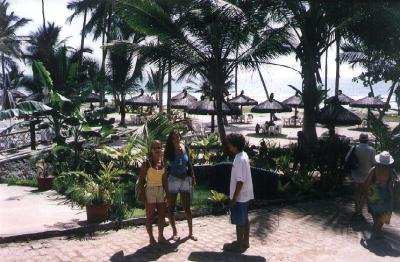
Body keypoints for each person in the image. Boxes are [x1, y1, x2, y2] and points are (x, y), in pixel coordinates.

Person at [223, 133, 254, 252]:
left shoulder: (240, 159)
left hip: (240, 196)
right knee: (244, 218)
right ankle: (245, 241)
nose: (228, 146)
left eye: (229, 144)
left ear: (235, 146)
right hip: (245, 195)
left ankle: (239, 244)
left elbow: (240, 181)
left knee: (239, 221)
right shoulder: (242, 155)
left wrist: (234, 199)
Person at [164, 130, 197, 241]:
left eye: (177, 137)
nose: (176, 139)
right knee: (171, 207)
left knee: (187, 207)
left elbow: (189, 163)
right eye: (173, 138)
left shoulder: (185, 147)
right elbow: (164, 167)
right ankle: (175, 232)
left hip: (185, 179)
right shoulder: (168, 151)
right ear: (171, 140)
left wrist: (193, 177)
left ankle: (190, 233)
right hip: (173, 179)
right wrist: (164, 184)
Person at [138, 140, 167, 245]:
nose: (157, 150)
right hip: (150, 190)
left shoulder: (163, 161)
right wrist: (143, 195)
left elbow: (164, 179)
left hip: (161, 190)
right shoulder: (146, 163)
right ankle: (151, 238)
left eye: (159, 147)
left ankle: (161, 236)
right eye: (155, 148)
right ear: (151, 150)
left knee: (162, 215)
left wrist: (167, 193)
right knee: (150, 217)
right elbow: (141, 180)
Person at [364, 151, 396, 239]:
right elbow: (391, 186)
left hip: (373, 193)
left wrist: (366, 194)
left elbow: (366, 183)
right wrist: (392, 198)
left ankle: (376, 229)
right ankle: (377, 230)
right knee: (384, 213)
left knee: (375, 212)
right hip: (385, 195)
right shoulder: (391, 172)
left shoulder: (374, 170)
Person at [346, 133, 375, 218]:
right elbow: (373, 162)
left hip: (356, 173)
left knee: (357, 193)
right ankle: (360, 211)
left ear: (359, 139)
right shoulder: (371, 149)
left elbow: (346, 159)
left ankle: (356, 210)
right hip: (367, 175)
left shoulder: (354, 148)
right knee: (364, 194)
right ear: (367, 140)